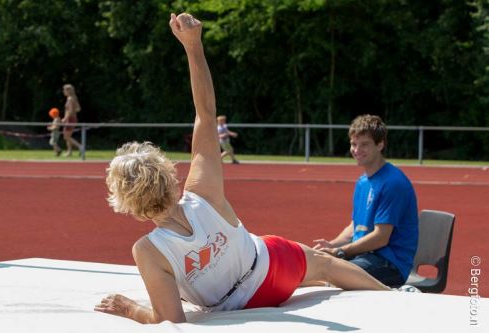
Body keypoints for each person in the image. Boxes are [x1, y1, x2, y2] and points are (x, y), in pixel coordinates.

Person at [93, 13, 390, 325]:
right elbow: (206, 114)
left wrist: (129, 309)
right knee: (323, 264)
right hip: (273, 270)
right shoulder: (202, 192)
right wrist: (194, 47)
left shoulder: (149, 252)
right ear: (168, 174)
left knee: (302, 264)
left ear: (129, 205)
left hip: (232, 305)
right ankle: (394, 296)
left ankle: (322, 282)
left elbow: (170, 320)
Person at [313, 115, 419, 288]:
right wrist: (332, 245)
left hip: (390, 264)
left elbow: (380, 238)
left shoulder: (393, 183)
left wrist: (339, 252)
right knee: (313, 266)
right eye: (354, 144)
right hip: (365, 256)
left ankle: (401, 293)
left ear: (380, 145)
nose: (357, 150)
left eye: (364, 144)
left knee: (329, 276)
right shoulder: (363, 182)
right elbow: (355, 226)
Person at [61, 83, 83, 157]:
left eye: (64, 90)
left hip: (70, 119)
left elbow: (70, 111)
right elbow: (78, 109)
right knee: (67, 136)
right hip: (72, 118)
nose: (63, 91)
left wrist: (65, 118)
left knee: (66, 137)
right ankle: (69, 152)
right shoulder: (73, 98)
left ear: (68, 90)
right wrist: (72, 111)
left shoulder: (70, 99)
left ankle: (80, 147)